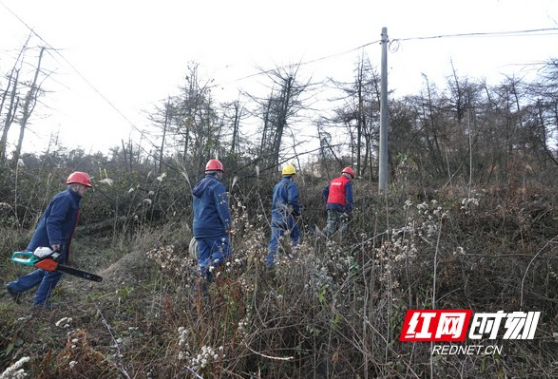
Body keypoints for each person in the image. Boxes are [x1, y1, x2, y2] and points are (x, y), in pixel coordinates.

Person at [5, 171, 92, 308]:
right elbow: (53, 222)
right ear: (76, 186)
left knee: (49, 269)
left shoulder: (71, 199)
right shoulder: (65, 198)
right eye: (84, 187)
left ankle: (16, 287)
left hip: (56, 241)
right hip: (50, 242)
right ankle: (40, 302)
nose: (86, 190)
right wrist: (55, 243)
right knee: (54, 270)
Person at [192, 159, 232, 285]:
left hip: (198, 229)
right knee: (225, 251)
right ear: (218, 172)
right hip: (213, 228)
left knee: (203, 258)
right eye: (221, 173)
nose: (221, 176)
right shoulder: (217, 186)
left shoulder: (198, 186)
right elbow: (222, 207)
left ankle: (201, 293)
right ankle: (201, 269)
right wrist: (228, 225)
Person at [267, 164, 301, 267]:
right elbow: (292, 200)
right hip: (286, 216)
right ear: (291, 175)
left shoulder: (277, 186)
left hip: (275, 216)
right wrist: (297, 212)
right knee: (296, 236)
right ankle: (294, 261)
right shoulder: (291, 185)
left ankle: (270, 264)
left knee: (275, 241)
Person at [322, 167, 354, 238]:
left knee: (331, 224)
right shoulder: (347, 182)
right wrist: (349, 210)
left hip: (330, 206)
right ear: (349, 176)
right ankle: (340, 242)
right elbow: (349, 198)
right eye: (351, 177)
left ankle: (322, 238)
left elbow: (324, 191)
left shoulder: (333, 181)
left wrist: (327, 203)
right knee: (343, 225)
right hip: (340, 207)